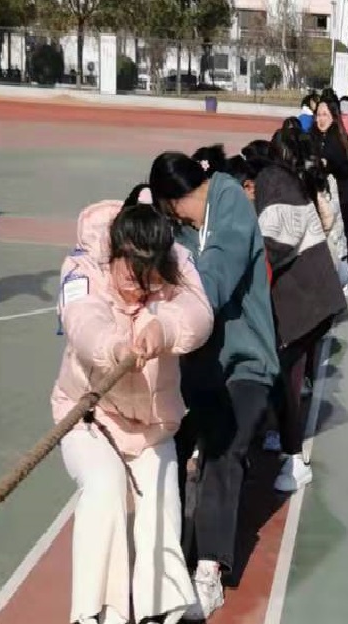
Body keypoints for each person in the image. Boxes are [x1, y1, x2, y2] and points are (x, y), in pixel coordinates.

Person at [52, 187, 214, 624]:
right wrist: (114, 347)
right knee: (104, 487)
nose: (137, 285)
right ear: (115, 251)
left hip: (153, 424)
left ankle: (159, 610)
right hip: (90, 418)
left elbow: (199, 312)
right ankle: (96, 613)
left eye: (148, 276)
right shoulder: (82, 265)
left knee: (161, 503)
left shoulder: (177, 262)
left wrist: (165, 328)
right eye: (129, 271)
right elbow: (82, 320)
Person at [148, 152, 280, 619]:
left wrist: (171, 318)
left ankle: (209, 570)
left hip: (247, 362)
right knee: (166, 444)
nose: (176, 221)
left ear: (179, 196)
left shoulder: (231, 204)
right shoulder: (177, 227)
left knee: (223, 448)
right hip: (198, 364)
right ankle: (166, 555)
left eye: (172, 210)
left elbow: (218, 274)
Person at [255, 126, 347, 491]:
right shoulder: (295, 180)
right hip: (315, 297)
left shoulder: (274, 180)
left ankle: (294, 458)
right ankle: (283, 436)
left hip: (306, 300)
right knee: (284, 371)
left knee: (281, 371)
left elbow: (275, 243)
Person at [312, 97, 348, 247]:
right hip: (336, 194)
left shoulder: (336, 139)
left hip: (346, 195)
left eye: (325, 115)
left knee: (339, 237)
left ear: (333, 117)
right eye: (318, 115)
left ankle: (341, 260)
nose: (321, 119)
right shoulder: (315, 136)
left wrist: (324, 164)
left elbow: (333, 162)